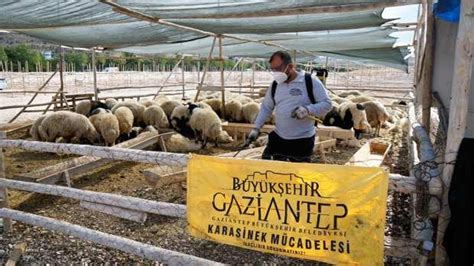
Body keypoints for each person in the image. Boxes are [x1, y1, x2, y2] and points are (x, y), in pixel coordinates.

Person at [246, 51, 332, 162]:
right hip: (279, 136)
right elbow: (266, 107)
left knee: (296, 174)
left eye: (278, 69)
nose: (275, 73)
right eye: (273, 70)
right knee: (270, 169)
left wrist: (307, 110)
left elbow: (327, 104)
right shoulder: (276, 85)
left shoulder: (309, 81)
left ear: (290, 66)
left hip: (302, 139)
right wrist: (256, 128)